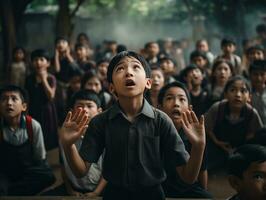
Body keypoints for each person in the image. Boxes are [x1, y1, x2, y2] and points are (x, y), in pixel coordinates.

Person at [59, 51, 206, 200]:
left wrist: (198, 146)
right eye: (120, 69)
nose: (128, 72)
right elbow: (81, 171)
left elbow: (188, 177)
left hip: (153, 195)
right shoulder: (101, 122)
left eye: (136, 67)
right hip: (114, 195)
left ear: (148, 82)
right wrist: (68, 145)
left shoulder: (161, 120)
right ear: (111, 88)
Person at [45, 90, 107, 197]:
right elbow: (63, 166)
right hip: (73, 188)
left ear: (99, 112)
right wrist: (70, 190)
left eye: (89, 106)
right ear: (72, 111)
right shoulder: (64, 135)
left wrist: (96, 192)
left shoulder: (105, 137)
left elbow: (108, 170)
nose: (85, 110)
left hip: (99, 188)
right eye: (80, 105)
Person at [158, 81, 212, 198]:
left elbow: (202, 170)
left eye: (182, 99)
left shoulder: (197, 136)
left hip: (188, 188)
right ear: (159, 107)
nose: (176, 103)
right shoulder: (154, 133)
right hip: (160, 188)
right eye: (169, 98)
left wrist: (204, 190)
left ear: (189, 108)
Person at [0, 85, 55, 195]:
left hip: (27, 172)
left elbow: (40, 159)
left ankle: (11, 192)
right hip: (5, 173)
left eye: (14, 98)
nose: (9, 103)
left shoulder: (33, 126)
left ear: (24, 106)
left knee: (48, 175)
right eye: (4, 99)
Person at [205, 75, 263, 170]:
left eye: (243, 91)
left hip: (241, 148)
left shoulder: (252, 113)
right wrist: (217, 141)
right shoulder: (218, 108)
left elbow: (258, 134)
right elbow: (207, 127)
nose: (238, 95)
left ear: (249, 97)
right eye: (233, 90)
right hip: (219, 146)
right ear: (225, 94)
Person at [25, 49, 58, 150]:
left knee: (49, 136)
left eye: (41, 59)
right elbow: (26, 97)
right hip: (34, 110)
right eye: (35, 60)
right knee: (34, 135)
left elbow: (51, 96)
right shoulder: (29, 79)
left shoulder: (51, 78)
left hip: (48, 112)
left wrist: (43, 79)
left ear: (47, 63)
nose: (38, 62)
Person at [249, 60, 266, 124]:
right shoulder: (246, 92)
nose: (259, 78)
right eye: (255, 74)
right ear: (250, 75)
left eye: (262, 74)